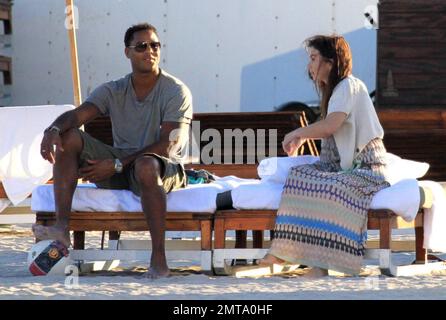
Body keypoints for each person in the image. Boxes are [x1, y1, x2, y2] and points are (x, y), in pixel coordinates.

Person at [32, 23, 193, 279]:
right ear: (127, 53)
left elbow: (169, 144)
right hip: (122, 166)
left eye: (154, 45)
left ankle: (159, 259)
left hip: (162, 167)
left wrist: (117, 164)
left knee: (146, 166)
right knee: (69, 136)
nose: (149, 51)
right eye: (141, 46)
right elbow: (77, 115)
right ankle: (61, 227)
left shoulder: (175, 90)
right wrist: (52, 129)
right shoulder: (114, 89)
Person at [260, 35, 390, 277]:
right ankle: (286, 251)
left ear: (331, 61)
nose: (309, 66)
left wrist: (298, 132)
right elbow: (329, 128)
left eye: (313, 58)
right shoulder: (335, 91)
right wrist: (302, 137)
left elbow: (331, 125)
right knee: (299, 176)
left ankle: (323, 264)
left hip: (368, 168)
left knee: (328, 186)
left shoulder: (347, 86)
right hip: (346, 167)